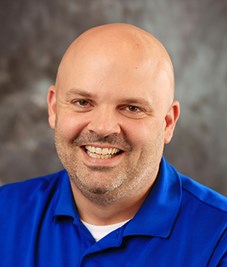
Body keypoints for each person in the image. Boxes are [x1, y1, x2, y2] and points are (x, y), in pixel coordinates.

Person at [0, 23, 226, 267]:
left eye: (132, 108)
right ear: (54, 109)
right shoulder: (5, 215)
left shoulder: (219, 240)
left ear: (168, 122)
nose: (103, 127)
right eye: (82, 102)